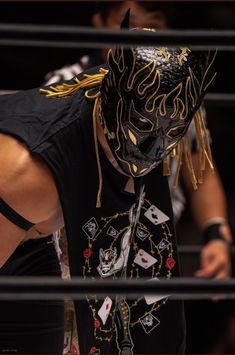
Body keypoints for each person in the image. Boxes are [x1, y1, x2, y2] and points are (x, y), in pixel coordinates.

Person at [0, 16, 217, 354]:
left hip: (33, 237)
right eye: (143, 125)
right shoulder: (30, 172)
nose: (156, 149)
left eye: (172, 133)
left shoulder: (143, 99)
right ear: (113, 102)